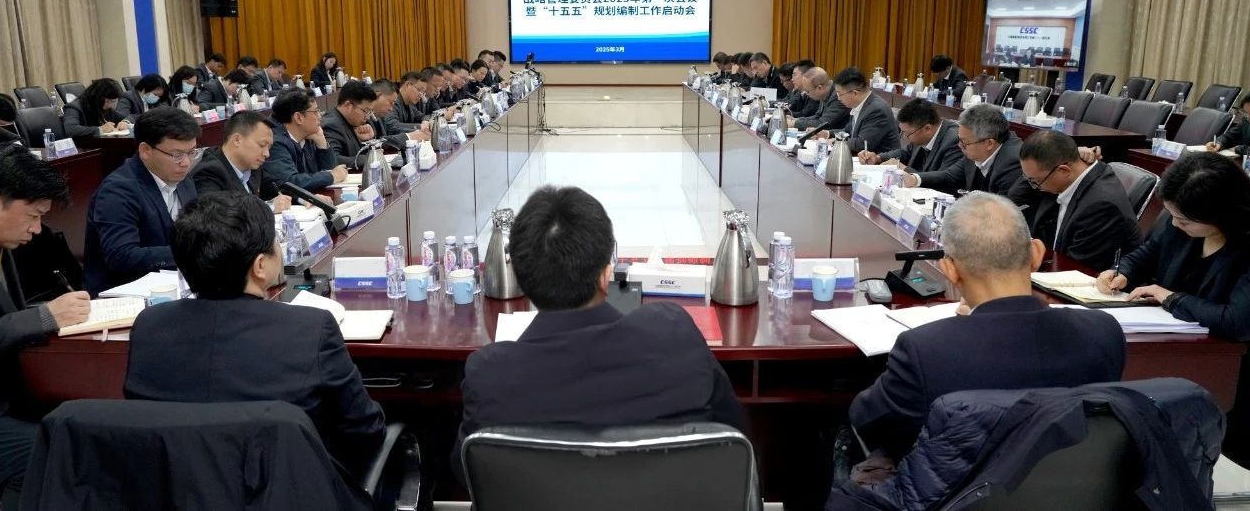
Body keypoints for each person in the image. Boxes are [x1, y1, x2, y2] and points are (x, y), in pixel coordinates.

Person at [453, 186, 746, 480]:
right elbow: (734, 437)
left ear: (521, 277)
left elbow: (467, 473)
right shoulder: (674, 336)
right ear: (606, 275)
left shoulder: (489, 375)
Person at [123, 193, 384, 478]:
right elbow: (366, 431)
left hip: (180, 492)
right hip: (287, 492)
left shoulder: (149, 327)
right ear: (260, 266)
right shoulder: (311, 329)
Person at [849, 192, 1125, 460]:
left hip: (955, 488)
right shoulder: (1103, 331)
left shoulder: (925, 350)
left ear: (950, 269)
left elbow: (867, 421)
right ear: (1037, 254)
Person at [1094, 152, 1250, 465]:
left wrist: (1170, 297)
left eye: (1184, 220)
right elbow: (1145, 255)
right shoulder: (1178, 221)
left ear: (1221, 213)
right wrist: (1122, 272)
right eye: (1172, 215)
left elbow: (1237, 321)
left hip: (1234, 364)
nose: (1175, 223)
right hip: (1176, 347)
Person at [0, 146, 90, 511]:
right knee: (52, 451)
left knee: (91, 425)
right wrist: (42, 318)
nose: (37, 230)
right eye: (33, 216)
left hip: (4, 397)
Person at [84, 108, 200, 297]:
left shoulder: (183, 178)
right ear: (145, 151)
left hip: (176, 286)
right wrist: (189, 254)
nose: (186, 163)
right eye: (177, 154)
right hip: (124, 295)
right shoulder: (118, 190)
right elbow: (121, 256)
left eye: (192, 152)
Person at [1016, 130, 1141, 270]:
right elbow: (1015, 198)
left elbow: (1075, 270)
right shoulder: (1067, 176)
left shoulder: (1100, 207)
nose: (1035, 186)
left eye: (1035, 181)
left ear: (1064, 171)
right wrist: (1072, 153)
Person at [907, 103, 1024, 196]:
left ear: (989, 143)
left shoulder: (1013, 163)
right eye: (959, 139)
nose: (959, 145)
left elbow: (1003, 209)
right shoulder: (977, 148)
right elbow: (949, 176)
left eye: (964, 142)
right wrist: (915, 178)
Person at [190, 111, 292, 213]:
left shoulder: (252, 165)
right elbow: (218, 214)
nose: (267, 154)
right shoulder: (209, 171)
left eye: (269, 147)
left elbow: (278, 187)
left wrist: (299, 197)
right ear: (237, 140)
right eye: (262, 145)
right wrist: (269, 207)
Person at [263, 88, 347, 191]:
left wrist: (322, 143)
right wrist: (331, 176)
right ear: (298, 117)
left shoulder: (308, 134)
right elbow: (290, 182)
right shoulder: (275, 142)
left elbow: (331, 170)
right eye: (316, 111)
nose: (320, 116)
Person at [858, 98, 963, 175]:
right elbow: (906, 153)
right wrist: (878, 158)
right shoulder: (920, 134)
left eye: (907, 134)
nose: (904, 137)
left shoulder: (955, 140)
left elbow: (944, 179)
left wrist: (903, 168)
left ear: (927, 128)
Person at [814, 67, 900, 154]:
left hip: (881, 161)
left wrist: (835, 142)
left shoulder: (876, 110)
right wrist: (827, 134)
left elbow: (863, 144)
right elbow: (848, 131)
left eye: (839, 94)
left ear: (855, 93)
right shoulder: (860, 104)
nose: (838, 98)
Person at [321, 80, 378, 164]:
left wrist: (369, 141)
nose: (368, 117)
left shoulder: (351, 121)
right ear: (348, 105)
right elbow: (333, 159)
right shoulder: (331, 125)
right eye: (366, 111)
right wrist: (371, 159)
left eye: (370, 112)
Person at [369, 79, 428, 149]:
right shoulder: (363, 117)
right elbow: (391, 129)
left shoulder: (379, 115)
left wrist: (418, 131)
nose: (391, 109)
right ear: (377, 95)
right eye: (390, 102)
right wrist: (409, 136)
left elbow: (382, 140)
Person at [62, 78, 129, 138]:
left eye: (113, 102)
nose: (110, 105)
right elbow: (71, 129)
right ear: (97, 97)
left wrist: (125, 122)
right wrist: (100, 129)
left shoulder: (104, 107)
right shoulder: (73, 107)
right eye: (108, 101)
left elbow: (129, 116)